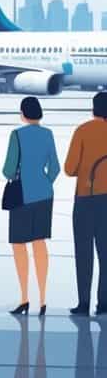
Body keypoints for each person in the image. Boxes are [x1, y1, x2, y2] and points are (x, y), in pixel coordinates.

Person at [3, 97, 60, 317]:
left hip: (22, 196)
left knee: (19, 244)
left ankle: (24, 298)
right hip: (44, 194)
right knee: (39, 243)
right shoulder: (48, 134)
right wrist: (44, 181)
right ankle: (43, 299)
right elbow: (54, 167)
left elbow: (9, 170)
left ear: (23, 114)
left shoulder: (17, 135)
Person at [65, 91, 107, 316]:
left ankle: (83, 303)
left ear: (93, 109)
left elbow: (69, 169)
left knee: (84, 253)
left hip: (85, 199)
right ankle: (104, 303)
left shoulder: (83, 130)